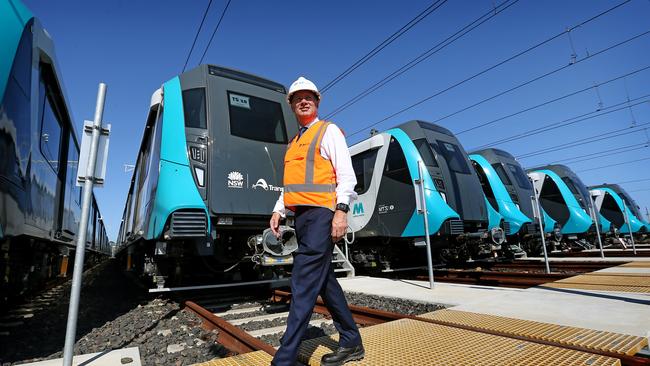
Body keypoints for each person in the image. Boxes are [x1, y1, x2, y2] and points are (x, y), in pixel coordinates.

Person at [269, 77, 364, 366]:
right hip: (303, 218)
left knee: (302, 282)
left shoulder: (329, 131)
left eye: (309, 96)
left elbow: (347, 176)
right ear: (292, 105)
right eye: (298, 98)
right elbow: (291, 186)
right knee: (325, 283)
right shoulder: (294, 143)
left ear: (317, 101)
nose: (304, 100)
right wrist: (278, 210)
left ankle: (284, 360)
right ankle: (351, 342)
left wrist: (342, 211)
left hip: (323, 213)